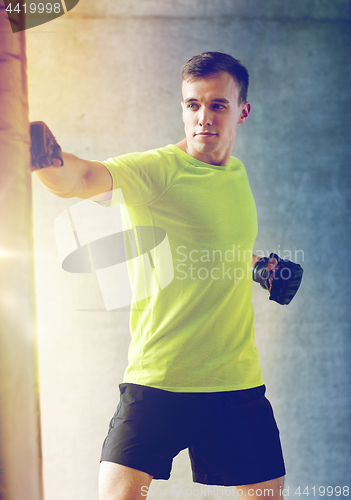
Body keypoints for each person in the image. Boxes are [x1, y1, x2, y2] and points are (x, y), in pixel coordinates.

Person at [34, 52, 286, 500]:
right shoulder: (156, 171)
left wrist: (261, 268)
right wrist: (50, 163)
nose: (203, 117)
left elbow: (223, 243)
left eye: (217, 105)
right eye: (193, 104)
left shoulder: (237, 175)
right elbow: (85, 176)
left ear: (242, 111)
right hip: (159, 380)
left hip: (236, 380)